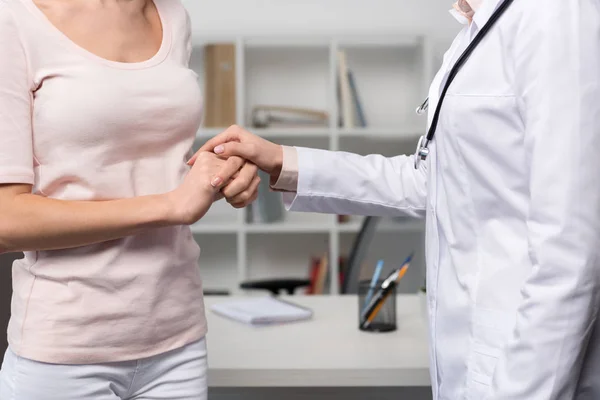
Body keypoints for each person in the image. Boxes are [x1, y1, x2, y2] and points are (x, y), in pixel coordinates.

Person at [196, 0, 600, 398]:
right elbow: (432, 181)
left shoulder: (557, 14)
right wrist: (281, 160)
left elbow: (571, 256)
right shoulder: (473, 33)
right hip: (474, 357)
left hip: (523, 368)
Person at [0, 0, 259, 399]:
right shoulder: (14, 19)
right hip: (65, 352)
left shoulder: (172, 16)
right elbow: (6, 221)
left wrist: (220, 173)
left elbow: (147, 158)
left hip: (178, 339)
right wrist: (172, 205)